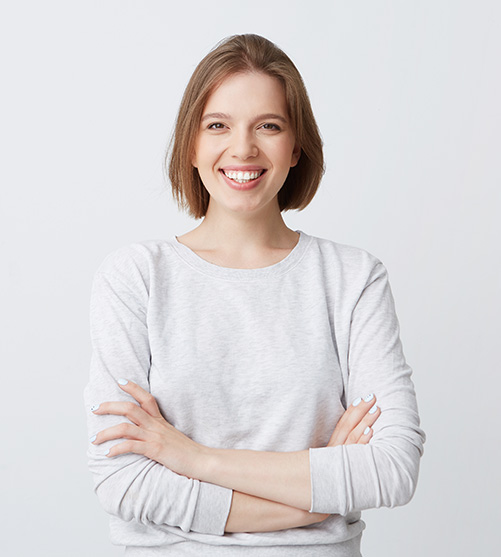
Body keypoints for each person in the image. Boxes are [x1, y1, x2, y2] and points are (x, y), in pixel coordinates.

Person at [84, 34, 426, 556]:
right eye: (217, 125)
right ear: (191, 145)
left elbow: (392, 468)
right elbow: (123, 482)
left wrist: (194, 458)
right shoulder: (135, 277)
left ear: (296, 147)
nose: (243, 148)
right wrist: (314, 501)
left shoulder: (353, 278)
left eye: (268, 126)